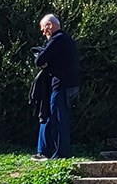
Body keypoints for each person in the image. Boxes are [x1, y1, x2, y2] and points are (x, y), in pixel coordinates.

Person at [33, 13, 81, 159]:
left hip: (62, 85)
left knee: (59, 119)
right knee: (60, 117)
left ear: (50, 25)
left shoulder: (57, 39)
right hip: (70, 84)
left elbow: (40, 59)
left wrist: (44, 61)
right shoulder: (67, 40)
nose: (43, 32)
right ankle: (60, 152)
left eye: (43, 28)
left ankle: (61, 154)